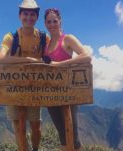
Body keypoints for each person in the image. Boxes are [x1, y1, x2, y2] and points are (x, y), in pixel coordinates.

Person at [0, 0, 49, 151]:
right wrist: (27, 59)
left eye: (32, 14)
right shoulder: (11, 37)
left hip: (34, 89)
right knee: (19, 128)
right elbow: (0, 58)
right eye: (25, 13)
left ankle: (35, 149)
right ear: (20, 16)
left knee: (36, 127)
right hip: (13, 89)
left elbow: (50, 57)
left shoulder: (43, 38)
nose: (29, 17)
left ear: (36, 17)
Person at [43, 8, 91, 151]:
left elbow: (86, 56)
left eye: (55, 21)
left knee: (74, 138)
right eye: (49, 21)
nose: (52, 24)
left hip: (68, 93)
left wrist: (59, 65)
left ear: (60, 21)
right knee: (62, 136)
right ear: (45, 23)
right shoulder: (46, 44)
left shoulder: (67, 39)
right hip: (50, 95)